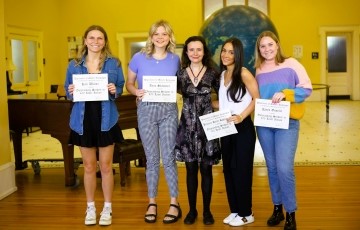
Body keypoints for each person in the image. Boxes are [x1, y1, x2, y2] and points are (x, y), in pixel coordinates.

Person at [64, 25, 125, 226]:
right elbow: (67, 91)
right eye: (92, 37)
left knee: (106, 166)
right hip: (83, 119)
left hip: (106, 119)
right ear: (85, 40)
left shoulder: (114, 63)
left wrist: (114, 89)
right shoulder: (74, 65)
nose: (96, 41)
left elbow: (121, 88)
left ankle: (107, 207)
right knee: (89, 166)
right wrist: (71, 90)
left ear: (105, 41)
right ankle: (90, 207)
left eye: (100, 38)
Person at [254, 31, 312, 230]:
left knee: (285, 168)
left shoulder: (292, 64)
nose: (267, 49)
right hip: (264, 125)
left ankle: (291, 212)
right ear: (259, 49)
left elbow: (306, 89)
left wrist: (286, 93)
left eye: (270, 45)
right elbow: (255, 96)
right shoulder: (258, 69)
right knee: (271, 168)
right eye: (263, 46)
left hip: (287, 123)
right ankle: (277, 208)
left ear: (277, 45)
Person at [125, 19, 181, 224]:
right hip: (146, 110)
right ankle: (152, 201)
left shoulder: (175, 60)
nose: (160, 37)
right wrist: (135, 91)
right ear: (151, 36)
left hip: (168, 111)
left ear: (169, 37)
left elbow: (179, 84)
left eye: (164, 34)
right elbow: (129, 83)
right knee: (151, 158)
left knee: (168, 158)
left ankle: (174, 202)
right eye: (156, 33)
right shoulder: (138, 58)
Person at [212, 37, 260, 227]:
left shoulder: (244, 73)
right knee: (229, 170)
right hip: (226, 127)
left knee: (242, 171)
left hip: (243, 128)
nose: (226, 54)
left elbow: (257, 99)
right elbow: (223, 104)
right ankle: (235, 210)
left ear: (238, 54)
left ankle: (247, 213)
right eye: (224, 50)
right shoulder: (222, 75)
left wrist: (241, 116)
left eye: (231, 52)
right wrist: (203, 103)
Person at [175, 36, 221, 225]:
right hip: (186, 128)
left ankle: (207, 211)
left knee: (206, 170)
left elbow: (223, 97)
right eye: (191, 50)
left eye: (199, 49)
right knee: (191, 170)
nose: (195, 53)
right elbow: (169, 94)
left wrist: (218, 108)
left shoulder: (213, 73)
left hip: (208, 127)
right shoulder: (179, 74)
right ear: (186, 52)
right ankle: (192, 210)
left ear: (204, 52)